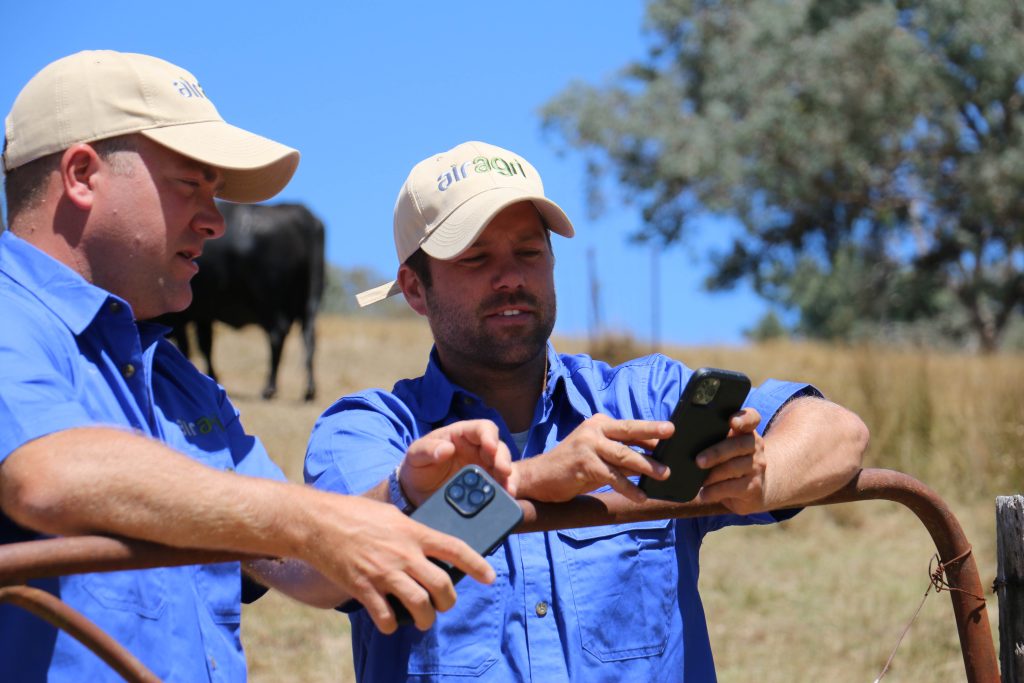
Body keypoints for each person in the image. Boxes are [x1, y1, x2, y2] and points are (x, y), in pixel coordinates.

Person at [0, 53, 513, 682]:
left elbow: (309, 572)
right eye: (191, 184)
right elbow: (47, 477)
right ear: (82, 174)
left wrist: (442, 490)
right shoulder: (12, 318)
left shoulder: (178, 384)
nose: (216, 220)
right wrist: (308, 520)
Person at [304, 140, 870, 682]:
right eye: (475, 258)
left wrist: (760, 476)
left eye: (529, 252)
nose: (511, 278)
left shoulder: (642, 399)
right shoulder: (369, 430)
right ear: (415, 290)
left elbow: (839, 432)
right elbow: (346, 560)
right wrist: (527, 483)